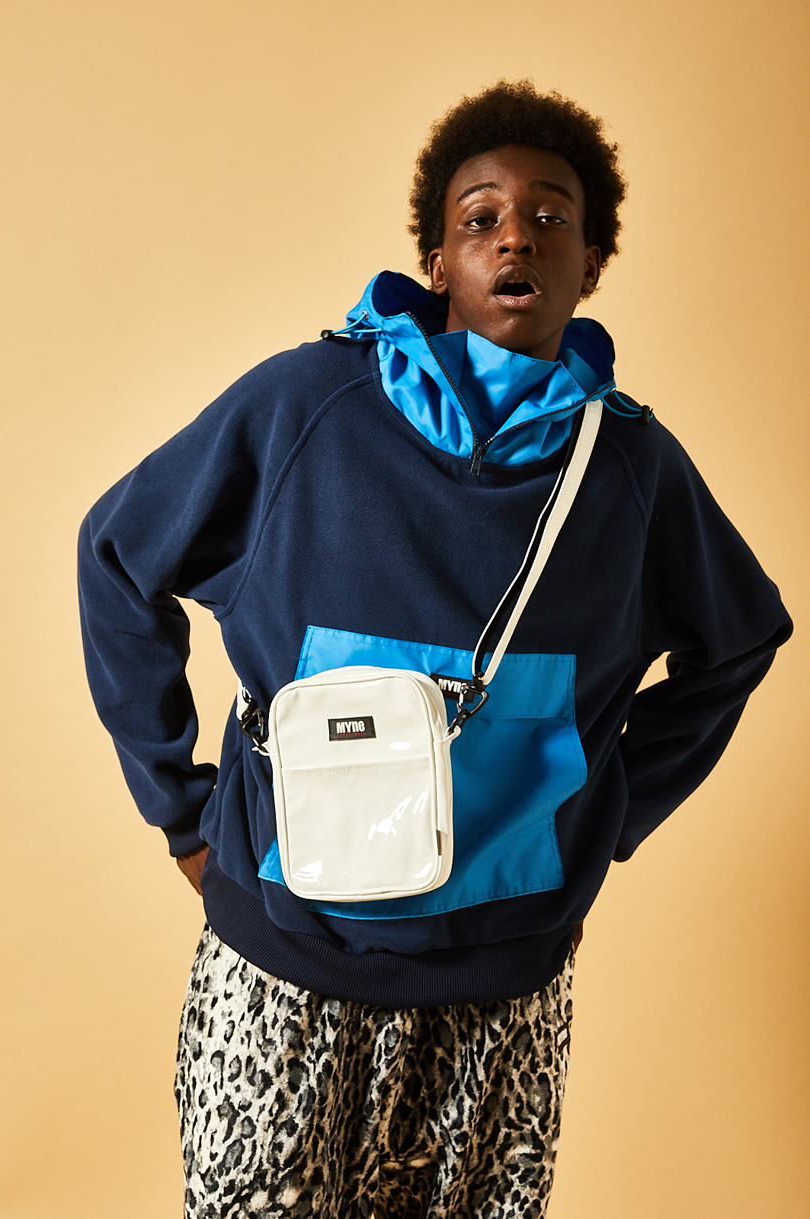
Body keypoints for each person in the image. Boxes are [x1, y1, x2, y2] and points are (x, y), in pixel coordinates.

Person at [78, 81, 792, 1218]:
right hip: (284, 961)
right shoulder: (306, 406)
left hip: (502, 990)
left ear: (592, 262)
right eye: (481, 218)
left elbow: (741, 638)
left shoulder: (631, 469)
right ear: (437, 260)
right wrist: (181, 809)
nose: (517, 236)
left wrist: (606, 809)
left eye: (551, 218)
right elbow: (117, 555)